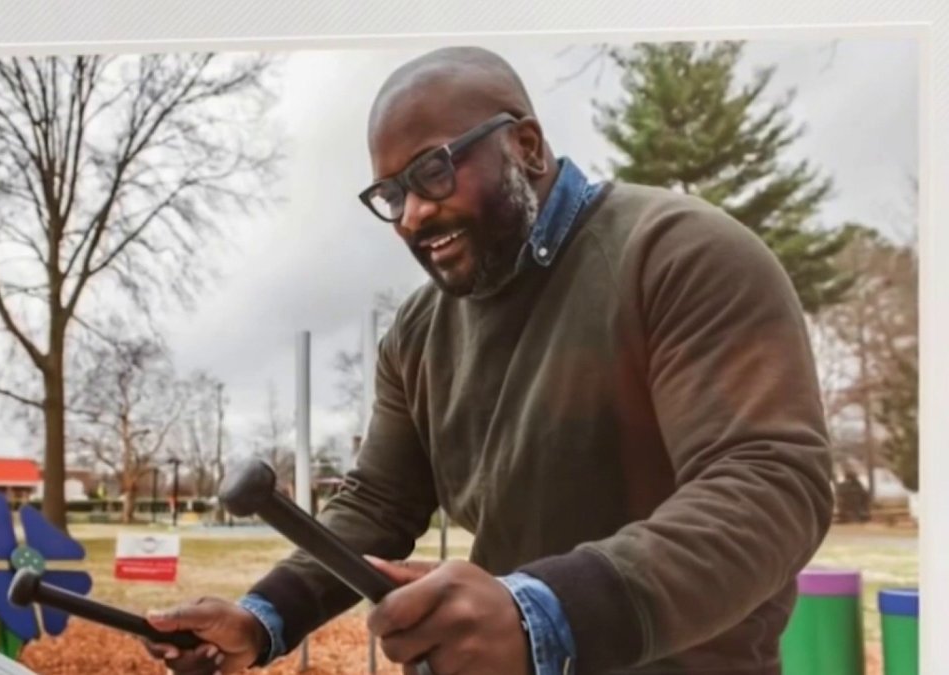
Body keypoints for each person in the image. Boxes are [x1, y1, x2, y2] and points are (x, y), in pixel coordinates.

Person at [141, 45, 833, 675]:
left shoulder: (677, 252)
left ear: (525, 145)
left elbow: (769, 485)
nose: (412, 214)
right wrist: (262, 618)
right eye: (392, 195)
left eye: (433, 171)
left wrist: (543, 616)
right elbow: (378, 503)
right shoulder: (417, 333)